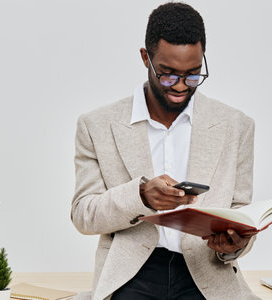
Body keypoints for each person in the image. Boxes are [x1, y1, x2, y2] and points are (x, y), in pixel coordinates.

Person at [71, 3, 260, 300]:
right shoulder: (97, 126)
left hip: (206, 273)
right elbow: (84, 214)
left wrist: (235, 244)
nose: (181, 86)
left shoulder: (236, 126)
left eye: (193, 74)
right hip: (132, 273)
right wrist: (142, 196)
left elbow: (240, 213)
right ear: (146, 58)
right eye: (168, 74)